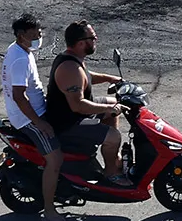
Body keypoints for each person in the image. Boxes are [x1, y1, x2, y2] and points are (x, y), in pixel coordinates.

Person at [46, 20, 131, 187]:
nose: (95, 40)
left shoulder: (74, 59)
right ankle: (111, 174)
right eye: (93, 38)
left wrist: (109, 78)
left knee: (112, 102)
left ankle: (113, 158)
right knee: (114, 136)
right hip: (68, 124)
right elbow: (78, 105)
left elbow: (86, 76)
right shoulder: (69, 68)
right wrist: (109, 109)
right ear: (81, 43)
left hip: (77, 114)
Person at [1, 14, 66, 221]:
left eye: (40, 32)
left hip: (36, 110)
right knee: (55, 159)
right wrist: (40, 123)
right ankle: (49, 211)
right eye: (35, 34)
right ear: (21, 36)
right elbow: (20, 96)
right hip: (28, 119)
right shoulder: (20, 59)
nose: (40, 36)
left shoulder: (19, 49)